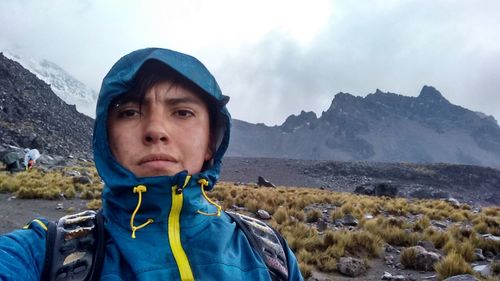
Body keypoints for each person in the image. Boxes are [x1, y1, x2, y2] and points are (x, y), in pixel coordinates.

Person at [0, 48, 303, 280]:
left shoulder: (270, 255)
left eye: (182, 112)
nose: (155, 130)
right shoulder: (44, 252)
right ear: (107, 139)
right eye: (130, 112)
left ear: (212, 141)